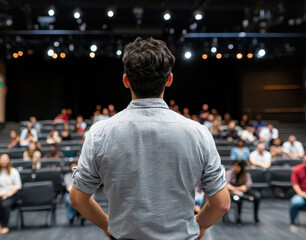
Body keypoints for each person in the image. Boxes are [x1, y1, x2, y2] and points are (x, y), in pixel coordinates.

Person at [70, 37, 230, 240]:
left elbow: (77, 199)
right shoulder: (199, 133)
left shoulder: (99, 134)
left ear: (126, 80)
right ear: (169, 79)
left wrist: (106, 225)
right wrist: (199, 226)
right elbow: (222, 203)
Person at [0, 154, 21, 234]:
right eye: (2, 159)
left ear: (9, 160)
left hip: (11, 195)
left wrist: (8, 194)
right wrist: (1, 194)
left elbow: (17, 186)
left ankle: (4, 225)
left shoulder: (14, 171)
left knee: (4, 204)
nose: (4, 161)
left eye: (6, 159)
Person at [226, 160, 260, 224]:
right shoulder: (229, 173)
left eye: (238, 166)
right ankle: (238, 218)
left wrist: (236, 190)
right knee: (237, 197)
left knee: (257, 196)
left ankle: (256, 217)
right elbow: (226, 185)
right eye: (234, 166)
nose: (235, 168)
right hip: (231, 192)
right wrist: (236, 190)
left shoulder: (246, 174)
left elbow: (246, 187)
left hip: (241, 192)